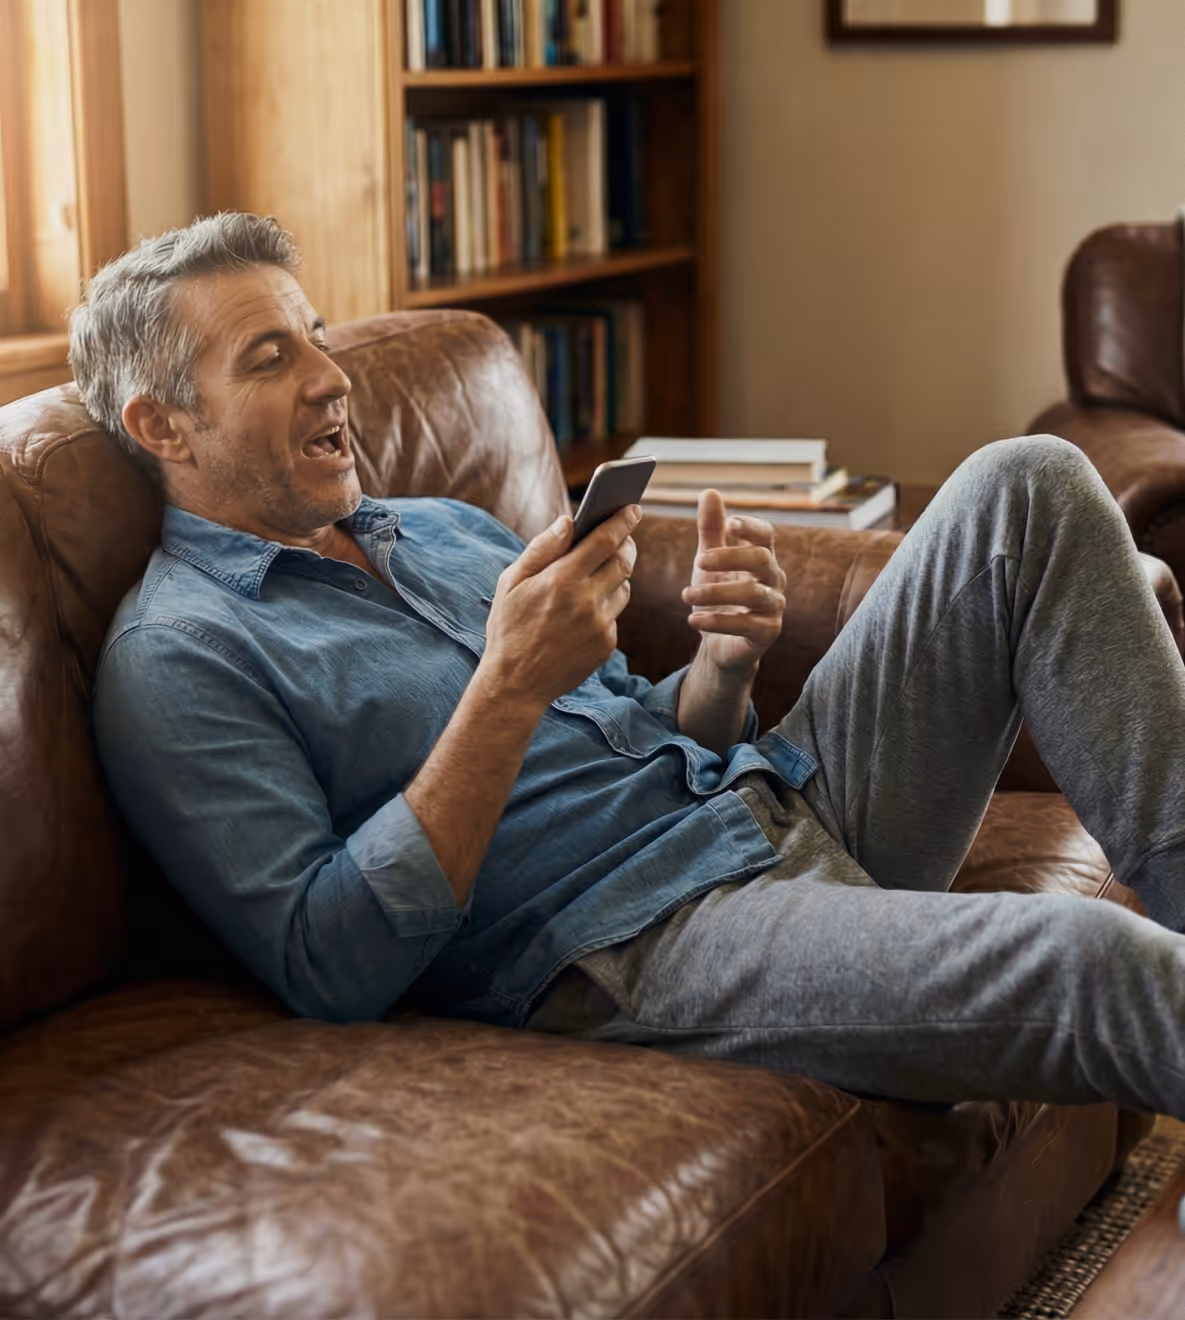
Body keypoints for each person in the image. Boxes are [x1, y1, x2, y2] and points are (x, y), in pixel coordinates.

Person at [77, 213, 1185, 1120]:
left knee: (1027, 483)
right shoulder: (180, 658)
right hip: (643, 937)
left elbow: (646, 740)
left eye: (317, 337)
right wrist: (505, 688)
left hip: (763, 806)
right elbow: (330, 961)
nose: (332, 379)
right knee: (1087, 959)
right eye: (273, 360)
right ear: (163, 424)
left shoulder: (438, 531)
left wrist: (723, 664)